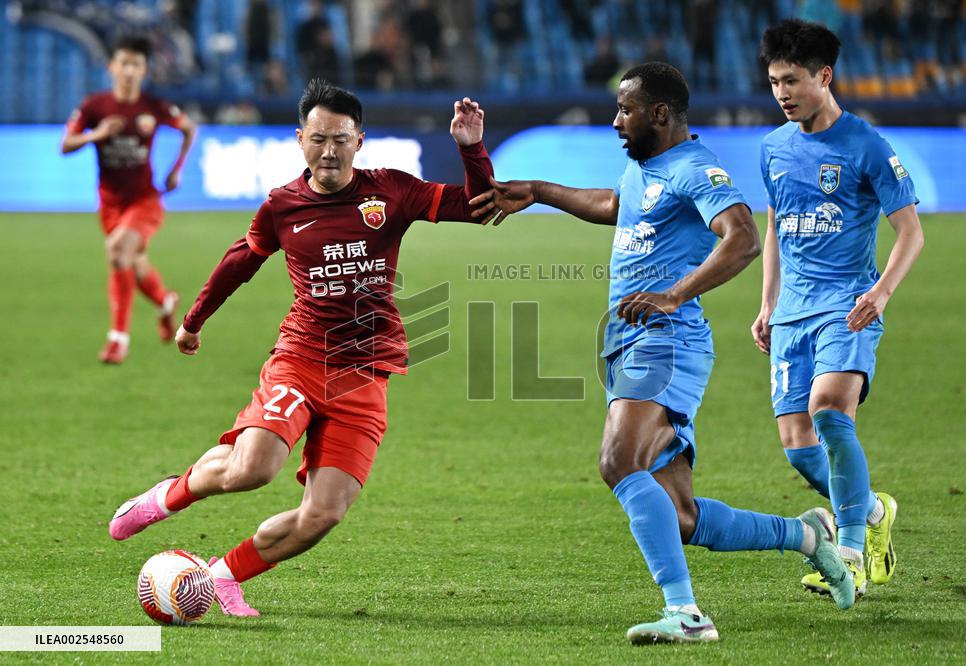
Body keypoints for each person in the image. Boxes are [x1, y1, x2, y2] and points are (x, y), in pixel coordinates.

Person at [470, 62, 854, 645]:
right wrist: (542, 192)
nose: (615, 120)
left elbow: (743, 237)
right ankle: (807, 536)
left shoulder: (696, 168)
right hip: (628, 341)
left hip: (666, 341)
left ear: (659, 113)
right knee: (680, 516)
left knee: (618, 461)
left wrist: (674, 294)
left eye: (625, 110)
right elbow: (616, 204)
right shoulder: (645, 167)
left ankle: (686, 614)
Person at [107, 79, 495, 617]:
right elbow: (241, 261)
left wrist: (471, 147)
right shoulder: (283, 205)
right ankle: (167, 497)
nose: (328, 151)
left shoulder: (391, 191)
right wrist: (193, 321)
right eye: (318, 139)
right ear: (299, 139)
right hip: (302, 357)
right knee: (253, 469)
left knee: (323, 515)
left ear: (359, 141)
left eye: (340, 139)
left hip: (366, 372)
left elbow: (477, 208)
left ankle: (222, 576)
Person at [753, 19, 923, 599]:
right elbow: (775, 228)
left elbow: (911, 232)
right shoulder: (773, 149)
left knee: (828, 409)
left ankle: (847, 554)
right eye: (774, 81)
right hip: (791, 313)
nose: (782, 93)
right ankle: (873, 511)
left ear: (824, 76)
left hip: (847, 306)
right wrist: (767, 302)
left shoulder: (865, 145)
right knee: (799, 450)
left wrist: (881, 293)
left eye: (792, 80)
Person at [61, 34, 197, 364]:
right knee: (132, 264)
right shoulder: (95, 106)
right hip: (110, 204)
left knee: (116, 250)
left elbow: (189, 128)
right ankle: (165, 301)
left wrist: (176, 170)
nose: (130, 70)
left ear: (144, 70)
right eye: (124, 63)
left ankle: (118, 339)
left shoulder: (153, 107)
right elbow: (65, 145)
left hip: (145, 201)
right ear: (111, 66)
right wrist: (98, 134)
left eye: (136, 65)